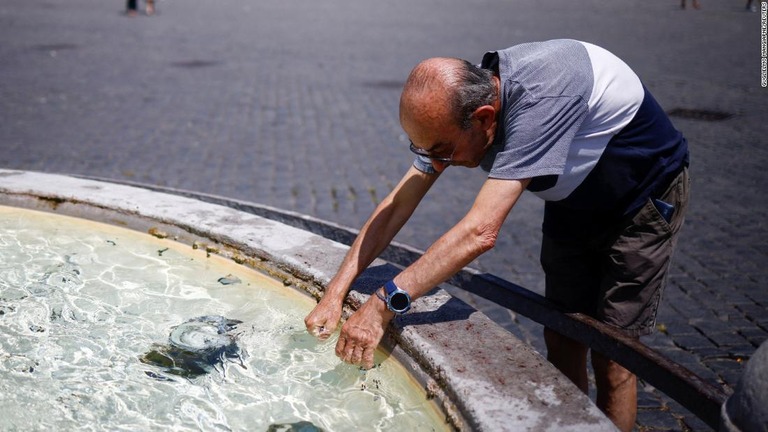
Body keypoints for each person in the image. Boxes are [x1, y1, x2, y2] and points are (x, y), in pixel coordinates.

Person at [304, 39, 690, 432]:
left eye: (442, 151)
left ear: (486, 118)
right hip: (573, 199)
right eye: (422, 149)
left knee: (614, 357)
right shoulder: (459, 109)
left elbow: (481, 232)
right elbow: (395, 207)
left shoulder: (541, 100)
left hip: (640, 201)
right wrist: (335, 293)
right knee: (562, 336)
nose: (435, 163)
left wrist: (383, 305)